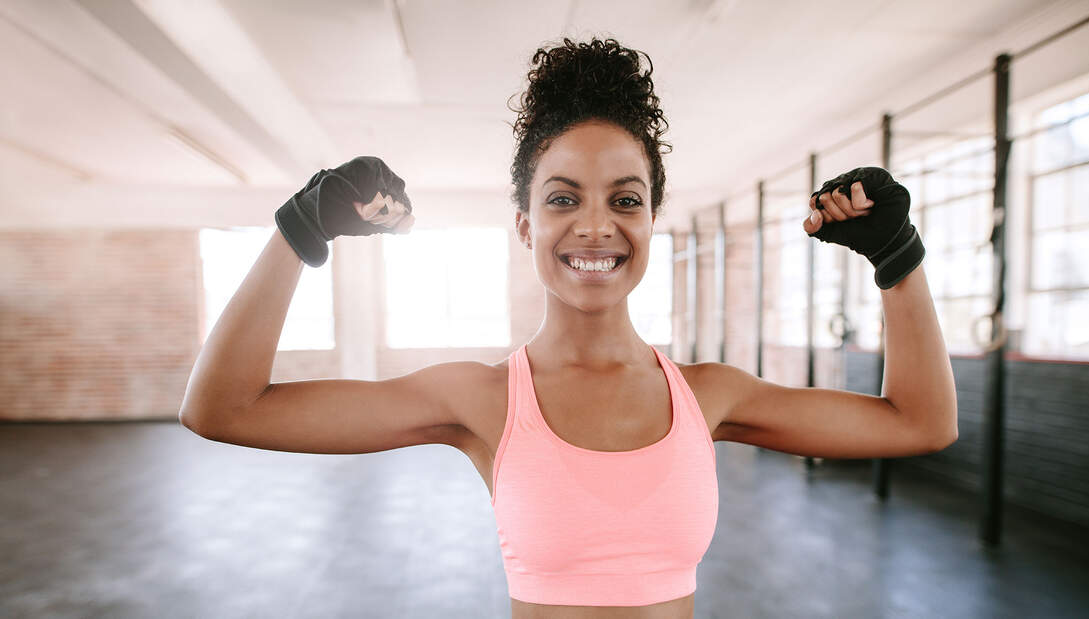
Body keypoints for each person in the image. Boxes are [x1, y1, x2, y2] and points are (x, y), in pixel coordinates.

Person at [179, 36, 957, 619]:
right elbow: (223, 408)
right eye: (561, 198)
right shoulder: (481, 399)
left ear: (652, 220)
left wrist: (897, 256)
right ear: (523, 225)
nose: (595, 227)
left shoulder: (708, 394)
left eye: (625, 199)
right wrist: (299, 228)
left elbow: (920, 422)